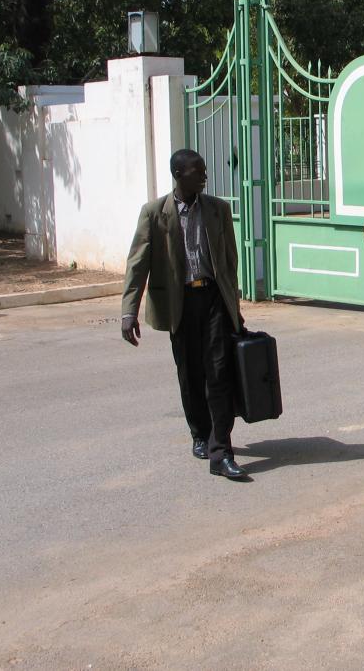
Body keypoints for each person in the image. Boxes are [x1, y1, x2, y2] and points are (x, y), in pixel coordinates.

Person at [120, 149, 248, 480]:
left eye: (205, 170)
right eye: (198, 171)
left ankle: (221, 452)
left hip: (214, 299)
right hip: (180, 304)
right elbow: (138, 264)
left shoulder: (218, 210)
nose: (205, 176)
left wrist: (235, 308)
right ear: (179, 174)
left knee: (219, 373)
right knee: (191, 374)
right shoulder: (154, 214)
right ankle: (200, 433)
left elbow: (229, 264)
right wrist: (128, 312)